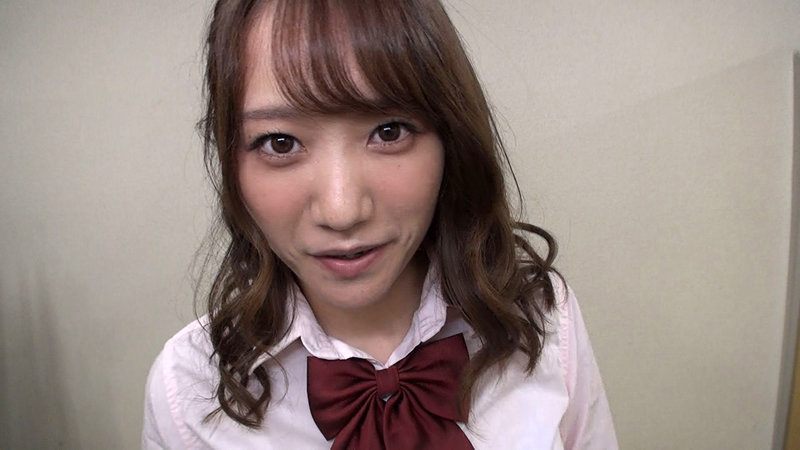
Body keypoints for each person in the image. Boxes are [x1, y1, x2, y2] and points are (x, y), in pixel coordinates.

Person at [142, 0, 618, 448]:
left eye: (389, 132)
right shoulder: (186, 391)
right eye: (280, 142)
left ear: (451, 142)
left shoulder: (542, 318)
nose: (342, 211)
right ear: (231, 162)